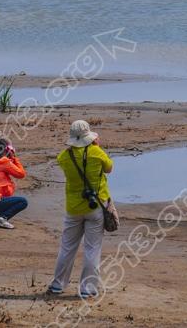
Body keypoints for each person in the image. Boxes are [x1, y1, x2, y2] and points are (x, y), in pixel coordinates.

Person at [48, 120, 113, 298]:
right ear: (89, 136)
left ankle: (57, 285)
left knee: (67, 247)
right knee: (92, 249)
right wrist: (96, 146)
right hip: (96, 206)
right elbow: (109, 168)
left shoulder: (64, 157)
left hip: (73, 208)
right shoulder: (97, 152)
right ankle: (87, 289)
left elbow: (63, 159)